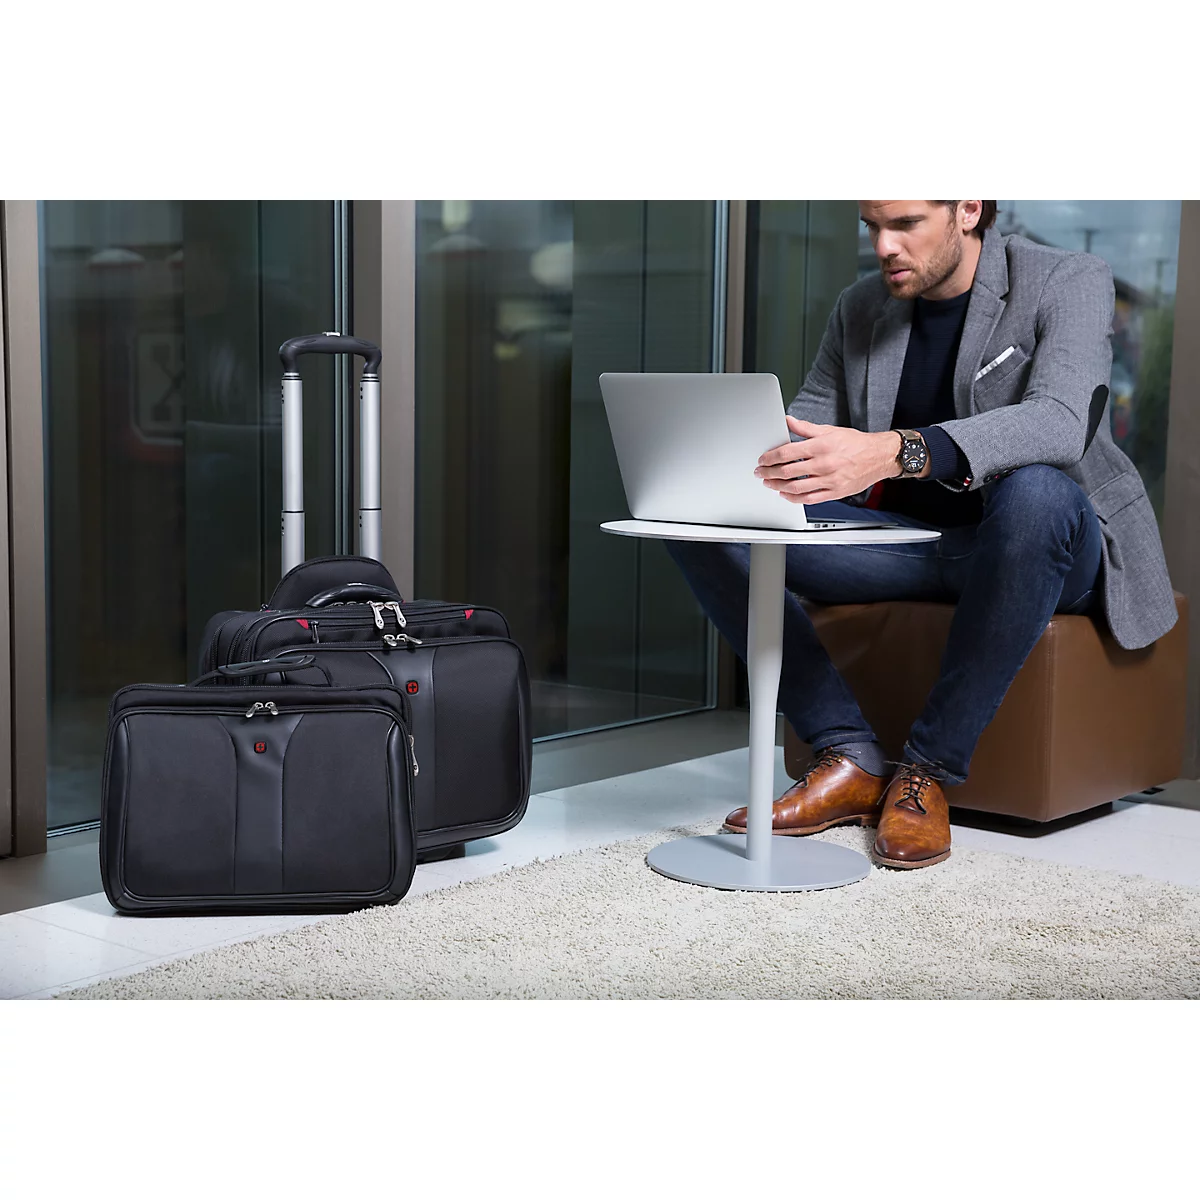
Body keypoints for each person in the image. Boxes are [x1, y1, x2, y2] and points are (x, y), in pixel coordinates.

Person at [666, 200, 1177, 869]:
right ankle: (846, 753)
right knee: (701, 519)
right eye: (871, 226)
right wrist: (736, 468)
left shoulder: (1065, 278)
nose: (883, 246)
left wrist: (897, 452)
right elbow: (806, 435)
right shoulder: (861, 308)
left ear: (968, 208)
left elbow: (1056, 423)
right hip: (908, 547)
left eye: (904, 224)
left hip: (1042, 543)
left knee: (1036, 491)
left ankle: (926, 772)